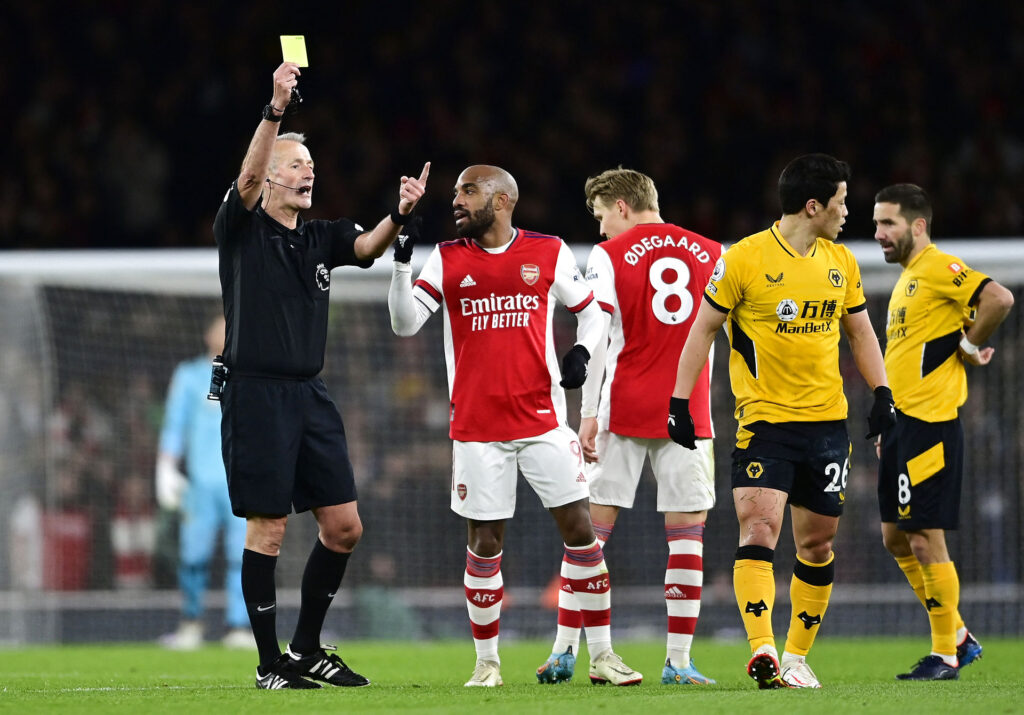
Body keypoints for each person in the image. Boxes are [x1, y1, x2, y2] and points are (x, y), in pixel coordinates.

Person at [213, 61, 429, 690]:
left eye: (311, 165)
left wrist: (400, 215)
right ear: (270, 178)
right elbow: (247, 177)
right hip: (255, 392)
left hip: (310, 393)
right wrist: (275, 109)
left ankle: (306, 649)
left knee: (344, 527)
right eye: (296, 165)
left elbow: (366, 249)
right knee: (270, 526)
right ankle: (267, 663)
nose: (308, 171)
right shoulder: (241, 227)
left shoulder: (321, 236)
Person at [388, 164, 642, 688]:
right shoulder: (448, 258)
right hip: (478, 429)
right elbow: (405, 322)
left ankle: (603, 657)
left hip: (544, 421)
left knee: (582, 535)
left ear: (502, 201)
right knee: (484, 544)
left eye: (468, 191)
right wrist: (401, 264)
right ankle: (487, 664)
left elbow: (595, 315)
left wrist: (581, 352)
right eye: (456, 191)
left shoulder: (546, 251)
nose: (456, 200)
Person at [668, 153, 896, 689]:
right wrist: (679, 402)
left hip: (827, 427)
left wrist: (883, 394)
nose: (847, 212)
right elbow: (701, 331)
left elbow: (861, 334)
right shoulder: (744, 259)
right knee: (760, 529)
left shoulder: (841, 261)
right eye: (840, 202)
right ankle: (762, 647)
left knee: (816, 544)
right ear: (812, 205)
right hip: (763, 423)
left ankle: (796, 655)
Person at [574, 168, 721, 685]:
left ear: (619, 205)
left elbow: (595, 334)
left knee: (588, 536)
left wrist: (588, 413)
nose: (599, 231)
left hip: (624, 407)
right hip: (690, 410)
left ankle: (567, 650)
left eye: (599, 217)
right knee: (686, 538)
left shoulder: (609, 256)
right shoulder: (710, 251)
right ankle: (679, 662)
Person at [872, 183, 1013, 681]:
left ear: (918, 225)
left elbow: (997, 297)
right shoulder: (910, 279)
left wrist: (973, 348)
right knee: (894, 537)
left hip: (930, 423)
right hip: (902, 424)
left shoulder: (938, 267)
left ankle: (945, 656)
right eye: (875, 224)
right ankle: (957, 635)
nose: (878, 234)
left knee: (925, 538)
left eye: (887, 223)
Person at [156, 314, 252, 650]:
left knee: (242, 557)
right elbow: (174, 425)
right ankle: (191, 623)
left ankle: (239, 626)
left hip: (240, 482)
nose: (224, 333)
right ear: (207, 332)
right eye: (220, 325)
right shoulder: (188, 375)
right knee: (193, 557)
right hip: (200, 484)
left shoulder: (250, 375)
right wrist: (165, 467)